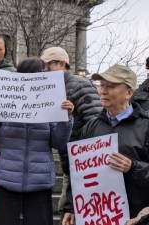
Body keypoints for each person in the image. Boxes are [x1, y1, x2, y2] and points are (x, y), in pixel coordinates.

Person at [0, 58, 74, 225]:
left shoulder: (50, 102)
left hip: (39, 182)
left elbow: (59, 143)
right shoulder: (3, 99)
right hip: (4, 180)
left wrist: (66, 118)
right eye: (40, 74)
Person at [62, 64, 149, 224]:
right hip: (96, 217)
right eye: (102, 85)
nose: (103, 91)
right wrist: (71, 207)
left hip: (136, 218)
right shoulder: (91, 126)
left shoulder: (145, 126)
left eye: (111, 86)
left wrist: (133, 167)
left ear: (129, 92)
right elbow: (78, 172)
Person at [40, 46, 102, 218]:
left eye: (46, 66)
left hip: (84, 164)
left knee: (73, 213)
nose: (43, 71)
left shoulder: (79, 85)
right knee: (67, 211)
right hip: (71, 163)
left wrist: (82, 153)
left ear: (61, 63)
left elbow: (95, 122)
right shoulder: (51, 88)